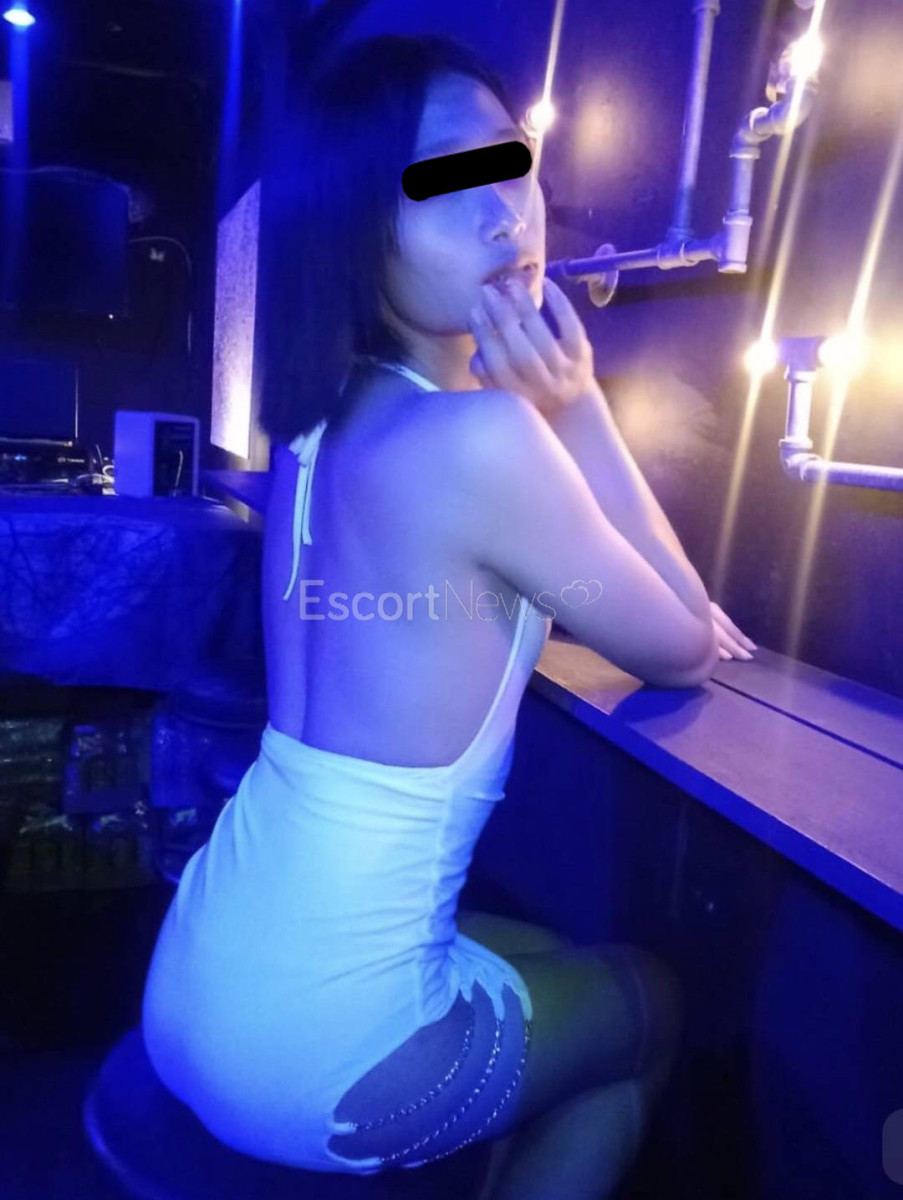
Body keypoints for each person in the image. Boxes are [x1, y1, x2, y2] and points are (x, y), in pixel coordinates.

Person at [142, 32, 723, 1198]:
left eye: (510, 162)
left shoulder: (309, 430)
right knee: (653, 1003)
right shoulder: (483, 436)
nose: (506, 211)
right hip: (315, 1062)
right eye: (447, 182)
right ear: (359, 227)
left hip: (199, 969)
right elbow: (686, 643)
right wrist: (577, 405)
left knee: (556, 961)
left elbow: (446, 599)